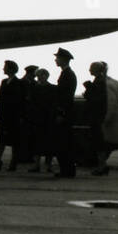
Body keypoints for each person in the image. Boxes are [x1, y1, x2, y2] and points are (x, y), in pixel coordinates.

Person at [0, 59, 24, 171]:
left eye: (5, 67)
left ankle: (13, 162)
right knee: (1, 140)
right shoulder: (4, 82)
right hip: (4, 116)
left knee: (14, 141)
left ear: (10, 69)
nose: (3, 69)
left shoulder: (19, 83)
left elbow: (19, 101)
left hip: (13, 116)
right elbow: (0, 100)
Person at [51, 48, 77, 178]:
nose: (56, 60)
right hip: (65, 113)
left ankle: (67, 170)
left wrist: (61, 113)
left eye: (58, 58)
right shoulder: (66, 74)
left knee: (63, 143)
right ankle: (67, 170)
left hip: (64, 114)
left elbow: (66, 97)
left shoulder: (68, 74)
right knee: (64, 142)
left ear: (63, 59)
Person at [27, 68, 56, 172]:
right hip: (40, 118)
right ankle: (38, 164)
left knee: (48, 142)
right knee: (38, 142)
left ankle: (47, 164)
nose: (38, 78)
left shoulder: (49, 88)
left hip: (47, 118)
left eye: (40, 75)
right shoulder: (36, 88)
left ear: (45, 76)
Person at [16, 64, 39, 164]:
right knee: (24, 136)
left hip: (30, 114)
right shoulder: (23, 83)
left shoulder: (29, 82)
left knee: (29, 136)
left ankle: (27, 156)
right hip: (25, 113)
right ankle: (23, 156)